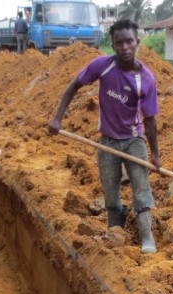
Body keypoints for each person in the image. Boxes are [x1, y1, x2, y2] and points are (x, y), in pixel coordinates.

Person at [48, 19, 161, 254]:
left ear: (137, 42)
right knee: (110, 197)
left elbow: (150, 120)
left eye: (129, 41)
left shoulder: (146, 79)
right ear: (113, 45)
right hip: (108, 141)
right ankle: (115, 234)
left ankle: (146, 236)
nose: (125, 47)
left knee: (141, 190)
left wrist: (156, 155)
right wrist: (58, 118)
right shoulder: (102, 66)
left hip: (133, 141)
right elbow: (73, 86)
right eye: (119, 43)